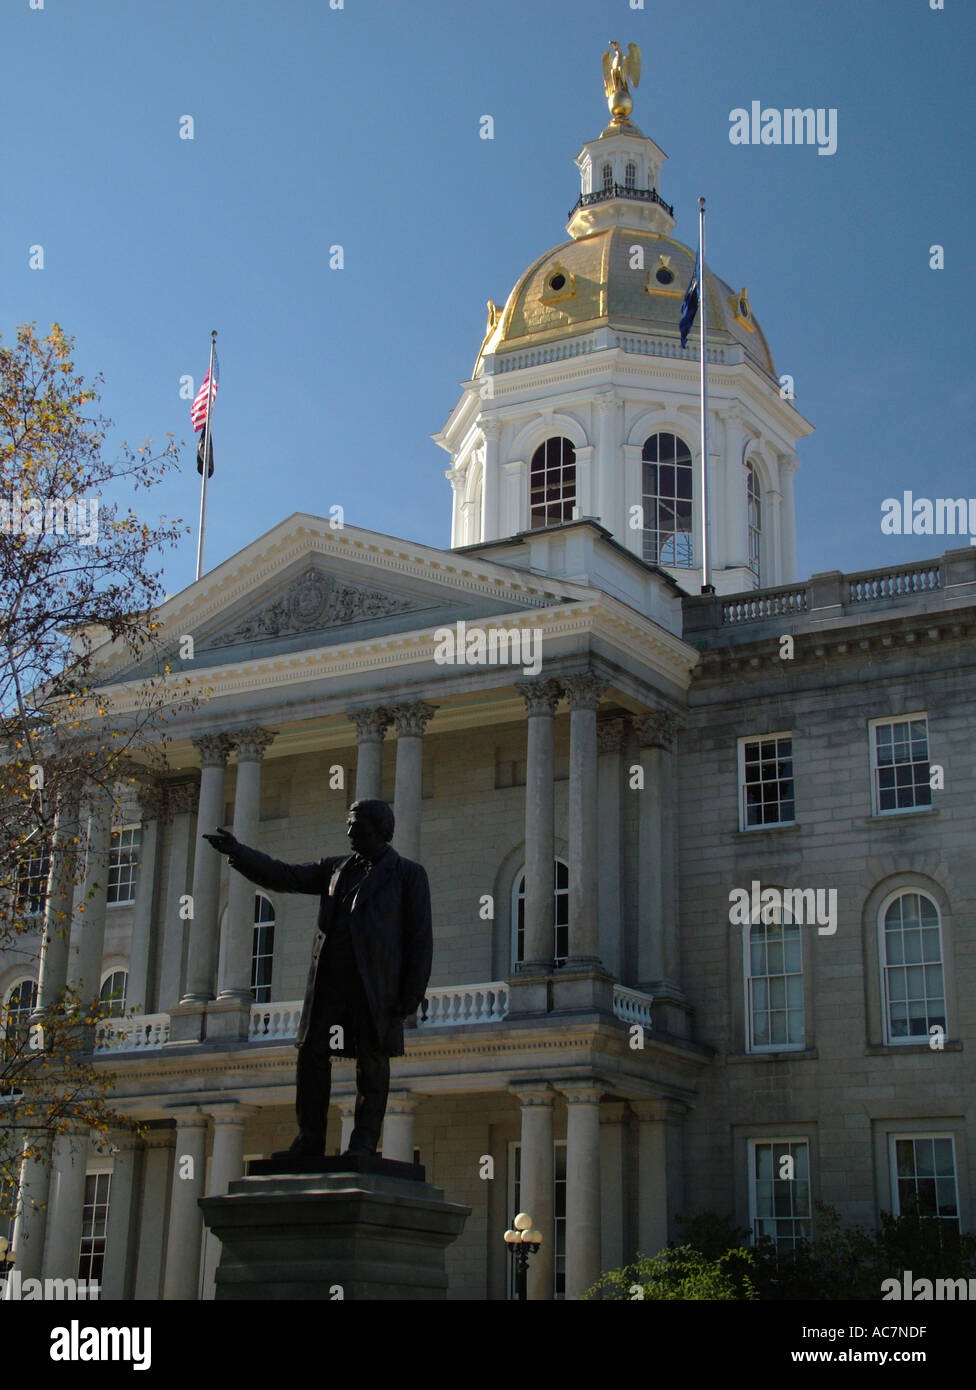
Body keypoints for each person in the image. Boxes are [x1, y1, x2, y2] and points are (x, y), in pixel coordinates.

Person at [204, 798, 432, 1158]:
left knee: (372, 1063)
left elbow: (419, 939)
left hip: (375, 988)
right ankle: (310, 1138)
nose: (348, 831)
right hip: (330, 984)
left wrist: (410, 995)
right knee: (311, 1055)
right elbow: (287, 876)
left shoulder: (408, 875)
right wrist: (240, 853)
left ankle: (363, 1141)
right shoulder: (335, 869)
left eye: (355, 824)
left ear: (378, 829)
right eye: (348, 823)